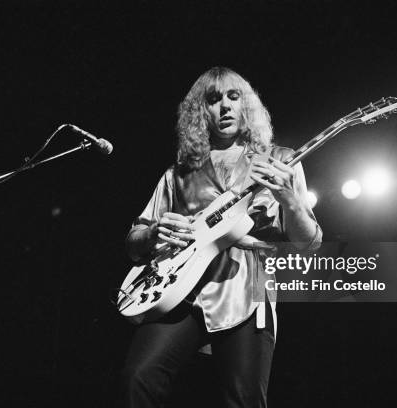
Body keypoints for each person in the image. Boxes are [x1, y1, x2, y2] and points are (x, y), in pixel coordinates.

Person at [121, 67, 322, 407]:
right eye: (213, 100)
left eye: (233, 97)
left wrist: (288, 198)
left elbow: (310, 244)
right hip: (181, 291)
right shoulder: (178, 173)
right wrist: (155, 231)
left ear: (248, 106)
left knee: (242, 399)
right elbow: (133, 241)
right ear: (201, 113)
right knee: (138, 377)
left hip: (247, 293)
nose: (225, 107)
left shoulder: (280, 160)